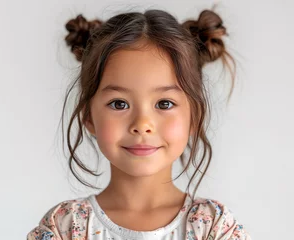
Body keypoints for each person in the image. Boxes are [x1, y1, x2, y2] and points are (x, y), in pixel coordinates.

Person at [27, 5, 252, 240]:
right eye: (119, 104)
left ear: (194, 116)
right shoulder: (65, 226)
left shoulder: (213, 227)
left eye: (164, 104)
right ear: (88, 116)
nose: (142, 123)